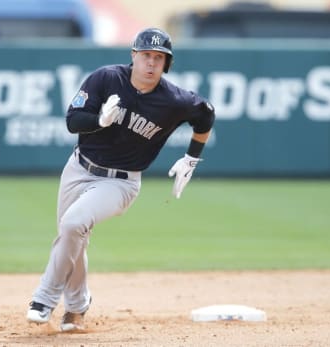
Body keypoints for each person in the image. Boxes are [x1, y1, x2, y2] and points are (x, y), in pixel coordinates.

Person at [26, 27, 215, 332]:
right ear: (133, 57)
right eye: (146, 56)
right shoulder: (106, 78)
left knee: (73, 225)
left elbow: (206, 114)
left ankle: (44, 298)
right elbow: (73, 121)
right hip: (78, 168)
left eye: (159, 58)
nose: (151, 63)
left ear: (167, 63)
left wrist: (192, 157)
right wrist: (99, 120)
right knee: (73, 239)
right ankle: (76, 307)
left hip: (121, 182)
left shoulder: (174, 99)